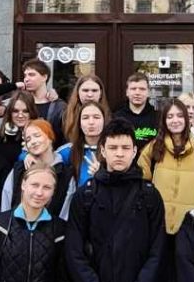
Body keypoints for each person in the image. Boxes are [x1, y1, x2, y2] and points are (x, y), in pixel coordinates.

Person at [66, 119, 167, 282]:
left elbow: (158, 249)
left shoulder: (150, 195)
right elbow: (74, 249)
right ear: (103, 151)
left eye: (125, 148)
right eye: (113, 148)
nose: (119, 154)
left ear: (134, 151)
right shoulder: (85, 195)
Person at [138, 98, 194, 282]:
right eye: (170, 116)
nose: (175, 120)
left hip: (191, 228)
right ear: (164, 120)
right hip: (158, 228)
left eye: (180, 116)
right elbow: (140, 182)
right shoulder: (153, 148)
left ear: (187, 119)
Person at [0, 165, 69, 282]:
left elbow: (62, 275)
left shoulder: (60, 230)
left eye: (47, 187)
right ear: (23, 185)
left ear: (53, 191)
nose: (39, 192)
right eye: (35, 185)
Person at [0, 119, 75, 219]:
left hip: (53, 227)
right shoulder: (19, 169)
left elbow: (65, 213)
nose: (33, 142)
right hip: (15, 226)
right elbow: (6, 201)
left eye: (37, 136)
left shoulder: (66, 175)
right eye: (28, 139)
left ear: (50, 137)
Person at [57, 101, 109, 187]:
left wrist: (104, 175)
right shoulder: (68, 151)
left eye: (96, 117)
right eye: (85, 118)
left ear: (104, 121)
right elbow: (46, 164)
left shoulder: (113, 150)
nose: (91, 122)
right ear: (79, 124)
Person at [22, 59, 67, 142]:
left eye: (31, 75)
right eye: (25, 75)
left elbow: (65, 135)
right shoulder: (22, 103)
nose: (26, 79)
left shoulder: (59, 106)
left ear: (44, 77)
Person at [113, 72, 158, 149]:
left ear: (148, 92)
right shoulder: (117, 117)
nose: (137, 93)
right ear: (127, 92)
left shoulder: (158, 117)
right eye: (133, 89)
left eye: (142, 89)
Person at [62, 75, 110, 142]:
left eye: (94, 90)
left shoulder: (110, 117)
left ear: (101, 93)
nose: (90, 95)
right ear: (78, 92)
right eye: (85, 90)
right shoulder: (66, 116)